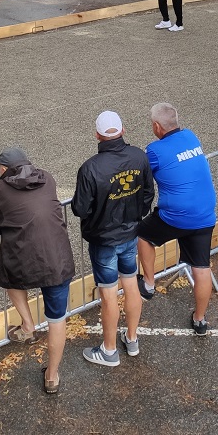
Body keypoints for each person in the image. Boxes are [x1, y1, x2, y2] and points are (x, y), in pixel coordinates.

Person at [0, 148, 75, 395]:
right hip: (57, 259)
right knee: (57, 320)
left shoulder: (1, 189)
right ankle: (52, 376)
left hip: (24, 260)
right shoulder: (47, 177)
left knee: (10, 278)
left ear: (3, 169)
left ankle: (28, 324)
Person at [71, 112, 155, 367]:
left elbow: (79, 209)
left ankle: (108, 350)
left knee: (108, 293)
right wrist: (135, 216)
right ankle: (131, 338)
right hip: (130, 233)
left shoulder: (91, 168)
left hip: (104, 239)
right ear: (123, 130)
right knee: (130, 283)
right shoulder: (139, 156)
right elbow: (148, 193)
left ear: (97, 134)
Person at [137, 102, 216, 334]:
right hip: (204, 212)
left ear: (156, 126)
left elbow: (143, 175)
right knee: (202, 267)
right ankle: (200, 320)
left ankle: (149, 284)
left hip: (176, 215)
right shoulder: (191, 136)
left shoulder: (154, 150)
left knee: (143, 234)